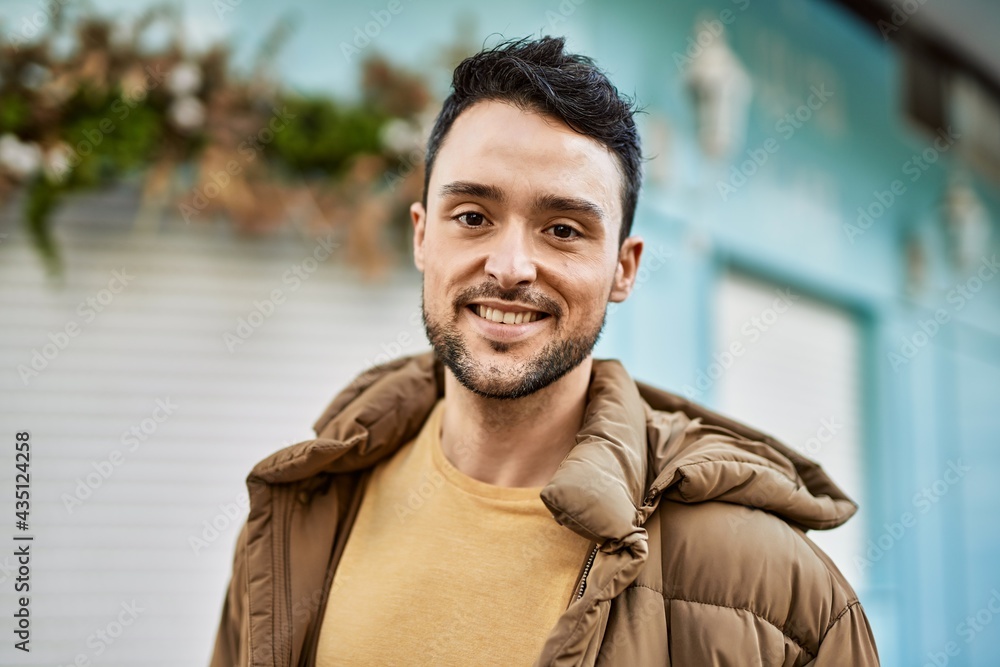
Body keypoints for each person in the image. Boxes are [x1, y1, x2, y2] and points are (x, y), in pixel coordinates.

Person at [209, 36, 880, 666]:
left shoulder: (776, 592)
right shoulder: (297, 516)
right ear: (422, 237)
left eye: (562, 229)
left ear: (624, 267)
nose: (510, 267)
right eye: (472, 216)